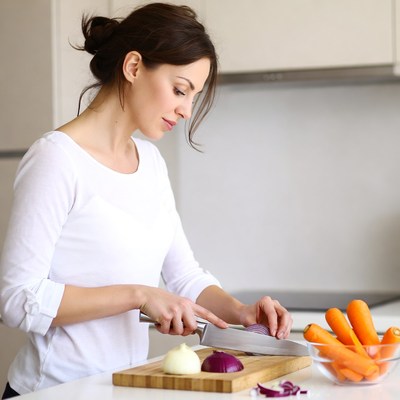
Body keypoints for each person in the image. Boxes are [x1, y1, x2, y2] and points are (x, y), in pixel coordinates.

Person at [0, 3, 293, 398]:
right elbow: (17, 298)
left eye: (193, 96)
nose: (186, 111)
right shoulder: (56, 159)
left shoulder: (150, 163)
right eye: (179, 90)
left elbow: (185, 276)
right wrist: (139, 295)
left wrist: (240, 313)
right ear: (134, 67)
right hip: (56, 390)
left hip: (123, 387)